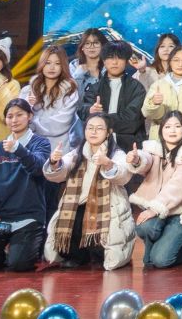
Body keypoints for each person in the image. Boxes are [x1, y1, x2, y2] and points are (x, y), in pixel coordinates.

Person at [0, 98, 54, 272]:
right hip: (3, 220)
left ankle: (23, 249)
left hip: (29, 218)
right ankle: (7, 251)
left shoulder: (41, 143)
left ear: (30, 116)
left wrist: (18, 149)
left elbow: (38, 168)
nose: (14, 120)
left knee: (19, 265)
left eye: (19, 115)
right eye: (10, 116)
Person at [44, 113, 136, 269]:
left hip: (108, 206)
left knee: (101, 242)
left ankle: (98, 253)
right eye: (90, 128)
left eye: (99, 128)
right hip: (79, 204)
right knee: (73, 222)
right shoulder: (77, 153)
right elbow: (60, 170)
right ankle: (78, 255)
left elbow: (123, 176)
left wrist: (107, 164)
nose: (93, 132)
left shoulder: (116, 153)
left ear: (109, 132)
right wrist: (54, 162)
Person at [128, 110, 182, 269]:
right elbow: (146, 160)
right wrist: (137, 160)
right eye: (168, 127)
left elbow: (177, 186)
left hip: (179, 213)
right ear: (161, 130)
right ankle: (156, 248)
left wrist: (153, 210)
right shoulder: (155, 148)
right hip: (158, 210)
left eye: (177, 126)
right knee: (145, 227)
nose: (172, 130)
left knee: (161, 261)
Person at [82, 42, 148, 151]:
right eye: (110, 57)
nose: (115, 62)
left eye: (120, 58)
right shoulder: (95, 88)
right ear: (104, 61)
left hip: (130, 145)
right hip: (97, 145)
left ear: (126, 61)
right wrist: (90, 110)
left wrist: (101, 119)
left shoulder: (136, 87)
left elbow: (132, 120)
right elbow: (83, 110)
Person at [25, 46, 83, 152]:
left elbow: (61, 123)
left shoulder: (70, 90)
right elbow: (21, 117)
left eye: (57, 63)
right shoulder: (30, 88)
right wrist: (30, 105)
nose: (52, 67)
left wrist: (32, 123)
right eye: (48, 63)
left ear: (63, 66)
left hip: (59, 147)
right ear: (42, 64)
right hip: (32, 147)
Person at [70, 29, 107, 93]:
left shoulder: (109, 65)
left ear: (102, 46)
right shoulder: (74, 65)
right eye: (87, 43)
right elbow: (70, 93)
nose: (92, 47)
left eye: (96, 43)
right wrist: (79, 73)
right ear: (82, 47)